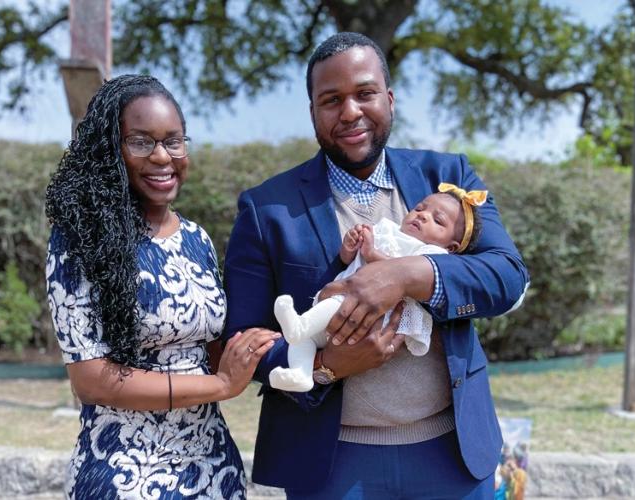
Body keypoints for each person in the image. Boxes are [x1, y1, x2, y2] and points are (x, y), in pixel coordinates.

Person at [223, 32, 529, 499]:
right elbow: (242, 338)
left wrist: (406, 274)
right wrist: (326, 365)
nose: (350, 112)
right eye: (331, 100)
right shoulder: (267, 209)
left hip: (452, 455)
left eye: (365, 94)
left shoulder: (448, 179)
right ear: (312, 111)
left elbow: (506, 275)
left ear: (389, 98)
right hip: (332, 466)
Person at [44, 74, 280, 499]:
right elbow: (92, 380)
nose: (161, 156)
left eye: (174, 141)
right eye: (140, 142)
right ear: (109, 151)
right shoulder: (78, 240)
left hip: (212, 467)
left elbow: (210, 346)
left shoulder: (197, 238)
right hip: (124, 472)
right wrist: (221, 386)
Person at [270, 185, 486, 392]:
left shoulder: (432, 253)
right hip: (339, 306)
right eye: (419, 208)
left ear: (450, 246)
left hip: (370, 311)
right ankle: (301, 374)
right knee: (305, 340)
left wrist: (371, 253)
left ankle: (299, 325)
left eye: (437, 220)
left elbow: (400, 272)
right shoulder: (387, 230)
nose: (422, 215)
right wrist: (350, 248)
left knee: (320, 318)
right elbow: (348, 261)